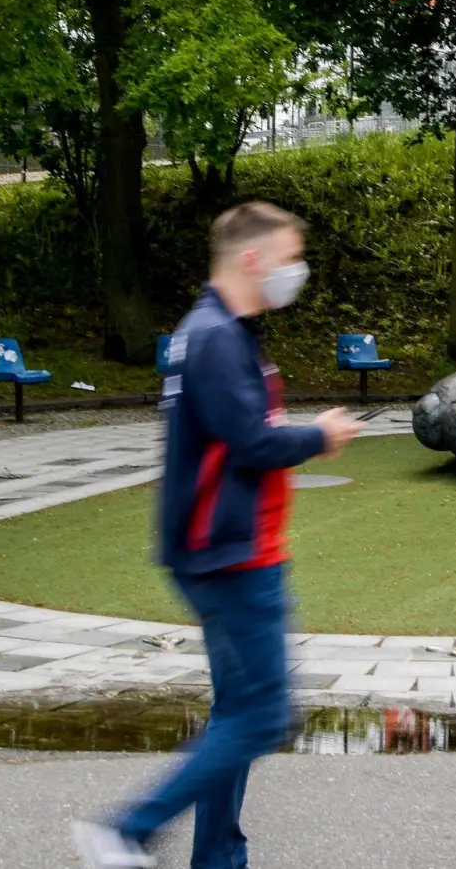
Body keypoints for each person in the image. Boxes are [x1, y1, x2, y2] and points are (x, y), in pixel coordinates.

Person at [73, 201, 363, 869]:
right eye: (291, 257)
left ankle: (217, 860)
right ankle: (125, 831)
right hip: (232, 555)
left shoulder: (218, 331)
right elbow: (250, 442)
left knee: (238, 712)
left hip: (228, 548)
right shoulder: (214, 337)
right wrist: (321, 436)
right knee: (261, 716)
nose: (297, 271)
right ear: (253, 258)